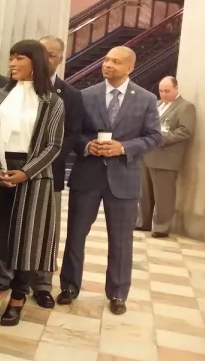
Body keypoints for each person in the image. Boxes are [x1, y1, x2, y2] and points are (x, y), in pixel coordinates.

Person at [0, 40, 64, 327]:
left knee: (25, 241)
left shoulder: (52, 101)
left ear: (36, 62)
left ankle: (17, 299)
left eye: (20, 58)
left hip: (32, 177)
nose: (13, 63)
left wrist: (25, 172)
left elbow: (54, 145)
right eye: (11, 58)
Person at [59, 46, 161, 316]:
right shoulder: (85, 95)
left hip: (124, 178)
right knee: (76, 235)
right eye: (106, 60)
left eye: (116, 62)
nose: (108, 65)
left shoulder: (147, 99)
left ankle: (117, 293)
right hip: (87, 176)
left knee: (121, 240)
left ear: (130, 67)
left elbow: (153, 137)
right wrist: (86, 145)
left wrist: (123, 147)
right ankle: (69, 286)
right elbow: (73, 133)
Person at [0, 36, 84, 309]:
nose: (13, 63)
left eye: (53, 54)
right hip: (4, 170)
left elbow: (67, 137)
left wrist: (32, 168)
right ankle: (3, 279)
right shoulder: (2, 94)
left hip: (44, 172)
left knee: (37, 234)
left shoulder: (65, 97)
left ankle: (39, 286)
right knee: (5, 228)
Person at [138, 76, 196, 238]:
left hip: (166, 157)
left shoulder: (186, 107)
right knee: (144, 192)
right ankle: (143, 222)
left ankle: (161, 227)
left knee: (163, 195)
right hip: (147, 153)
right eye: (161, 91)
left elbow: (185, 131)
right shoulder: (156, 104)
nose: (163, 94)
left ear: (176, 89)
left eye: (167, 91)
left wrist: (159, 137)